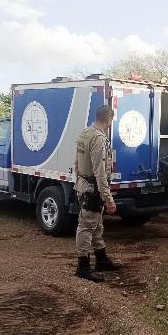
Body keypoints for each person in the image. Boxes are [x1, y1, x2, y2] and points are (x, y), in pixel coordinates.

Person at [74, 105, 120, 282]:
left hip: (85, 185)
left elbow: (77, 161)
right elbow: (100, 171)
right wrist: (108, 198)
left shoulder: (85, 133)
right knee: (86, 226)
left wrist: (79, 182)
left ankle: (101, 259)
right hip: (93, 188)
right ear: (109, 119)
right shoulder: (99, 138)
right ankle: (83, 267)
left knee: (96, 224)